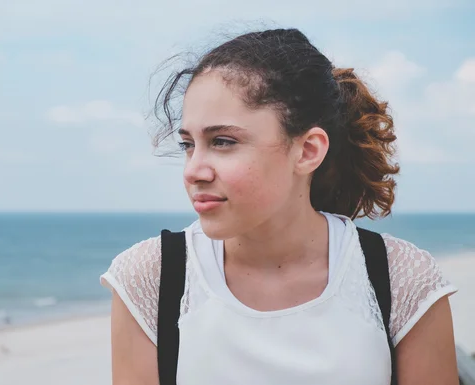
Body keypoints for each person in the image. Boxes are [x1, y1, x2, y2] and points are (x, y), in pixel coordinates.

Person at [100, 28, 459, 384]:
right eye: (188, 145)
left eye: (222, 141)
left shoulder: (402, 281)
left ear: (307, 150)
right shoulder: (150, 278)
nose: (194, 170)